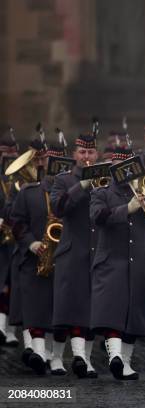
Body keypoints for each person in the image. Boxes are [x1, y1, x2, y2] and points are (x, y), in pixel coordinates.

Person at [89, 145, 145, 380]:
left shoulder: (142, 189)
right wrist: (128, 208)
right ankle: (114, 357)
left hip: (140, 262)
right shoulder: (101, 192)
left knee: (136, 313)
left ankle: (125, 363)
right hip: (112, 259)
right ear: (113, 169)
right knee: (113, 309)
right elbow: (98, 217)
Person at [11, 140, 65, 375]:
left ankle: (57, 358)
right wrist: (31, 243)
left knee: (61, 309)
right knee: (36, 308)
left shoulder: (71, 194)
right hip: (36, 259)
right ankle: (40, 354)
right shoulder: (28, 193)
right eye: (48, 162)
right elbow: (17, 223)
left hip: (65, 259)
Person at [50, 132, 100, 378]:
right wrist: (81, 187)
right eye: (82, 152)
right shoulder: (63, 180)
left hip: (97, 251)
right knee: (68, 308)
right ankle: (61, 357)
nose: (87, 156)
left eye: (91, 152)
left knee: (92, 308)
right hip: (72, 251)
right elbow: (59, 208)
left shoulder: (105, 179)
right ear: (74, 155)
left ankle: (85, 360)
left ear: (97, 154)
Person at [0, 132, 20, 347]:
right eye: (4, 155)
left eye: (13, 155)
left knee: (14, 284)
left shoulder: (21, 175)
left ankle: (11, 330)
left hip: (16, 235)